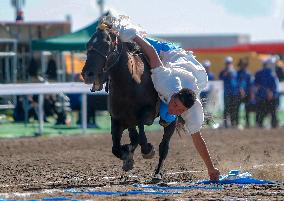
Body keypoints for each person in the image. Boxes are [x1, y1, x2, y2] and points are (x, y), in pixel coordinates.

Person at [114, 22, 220, 181]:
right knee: (130, 37)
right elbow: (152, 54)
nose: (176, 110)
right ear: (174, 95)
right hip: (170, 52)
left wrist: (211, 169)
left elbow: (198, 139)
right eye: (176, 105)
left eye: (180, 111)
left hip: (194, 72)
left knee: (167, 115)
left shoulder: (193, 109)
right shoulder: (164, 80)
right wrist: (134, 37)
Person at [254, 57, 279, 128]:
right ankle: (273, 124)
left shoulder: (259, 73)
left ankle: (259, 124)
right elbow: (272, 85)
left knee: (261, 111)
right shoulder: (270, 73)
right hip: (270, 95)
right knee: (272, 111)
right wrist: (270, 92)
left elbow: (256, 85)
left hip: (262, 96)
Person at [219, 56, 239, 128]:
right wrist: (226, 73)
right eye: (227, 63)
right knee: (227, 108)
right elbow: (221, 79)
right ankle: (225, 123)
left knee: (234, 108)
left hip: (234, 93)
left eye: (229, 63)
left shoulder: (234, 71)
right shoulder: (223, 72)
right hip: (227, 93)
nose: (228, 64)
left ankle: (234, 123)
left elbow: (237, 81)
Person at [236, 58, 253, 128]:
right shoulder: (237, 73)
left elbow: (250, 84)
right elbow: (237, 83)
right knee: (237, 109)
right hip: (239, 93)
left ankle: (247, 123)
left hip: (247, 93)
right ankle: (236, 123)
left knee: (247, 109)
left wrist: (251, 94)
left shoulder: (248, 74)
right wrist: (240, 90)